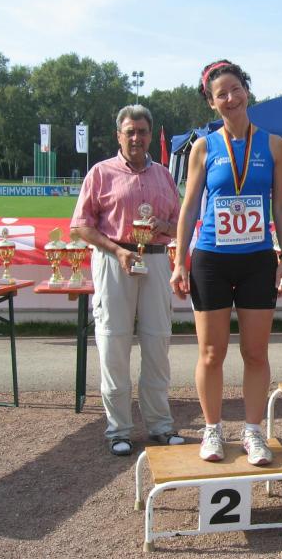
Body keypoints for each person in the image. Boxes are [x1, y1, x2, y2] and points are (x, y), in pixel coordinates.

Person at [170, 60, 282, 466]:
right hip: (211, 260)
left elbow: (280, 204)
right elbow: (189, 207)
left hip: (257, 260)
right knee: (211, 353)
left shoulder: (274, 145)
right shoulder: (204, 147)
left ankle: (253, 431)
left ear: (247, 91)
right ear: (212, 103)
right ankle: (212, 429)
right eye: (220, 94)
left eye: (235, 89)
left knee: (255, 353)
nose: (230, 98)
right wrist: (179, 261)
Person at [71, 104, 184, 457]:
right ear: (118, 136)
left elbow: (180, 223)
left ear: (150, 135)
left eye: (142, 131)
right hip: (114, 260)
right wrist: (117, 250)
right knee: (113, 345)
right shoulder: (101, 172)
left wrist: (163, 227)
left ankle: (160, 426)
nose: (137, 138)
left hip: (156, 259)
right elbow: (81, 226)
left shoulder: (164, 175)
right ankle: (118, 429)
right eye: (130, 131)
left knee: (157, 344)